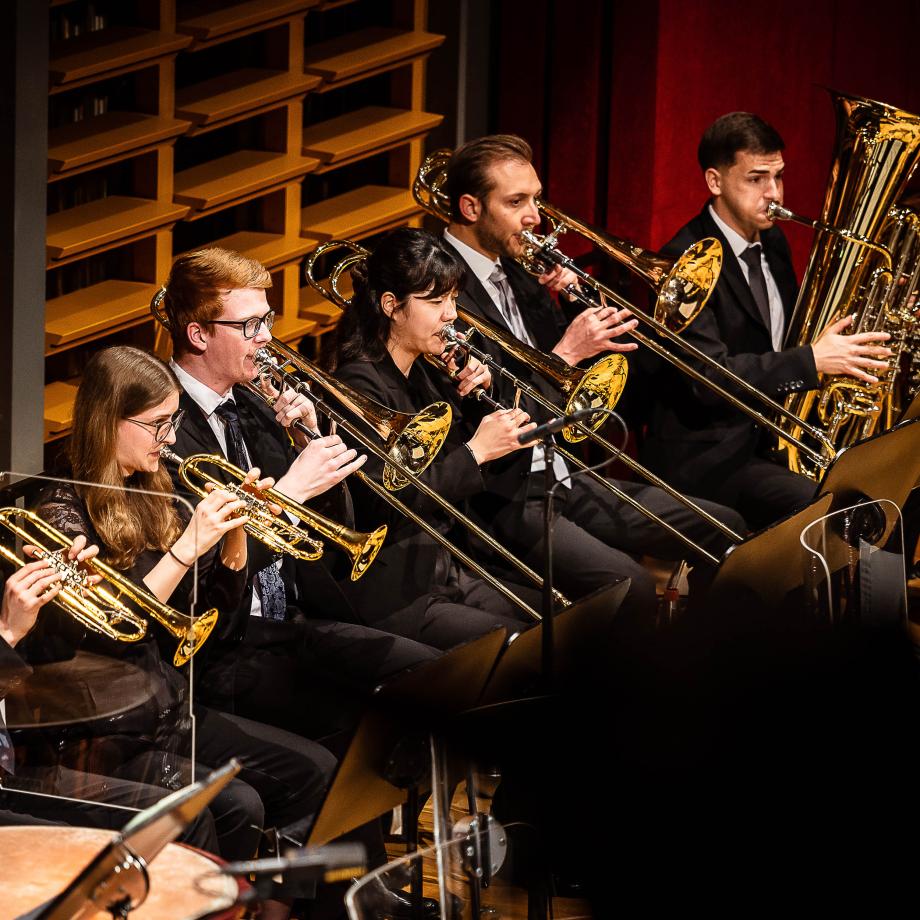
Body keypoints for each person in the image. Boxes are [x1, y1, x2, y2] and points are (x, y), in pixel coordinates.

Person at [33, 346, 336, 888]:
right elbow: (107, 632)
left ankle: (277, 905)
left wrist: (236, 542)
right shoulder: (60, 507)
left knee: (314, 771)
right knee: (236, 804)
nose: (170, 438)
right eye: (157, 424)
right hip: (103, 731)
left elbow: (214, 632)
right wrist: (186, 550)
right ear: (109, 421)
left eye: (173, 421)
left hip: (169, 706)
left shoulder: (154, 491)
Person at [442, 134, 747, 613]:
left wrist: (569, 306)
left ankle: (701, 650)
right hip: (503, 498)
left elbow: (586, 383)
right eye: (516, 201)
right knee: (633, 586)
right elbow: (492, 408)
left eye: (535, 199)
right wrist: (566, 349)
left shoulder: (521, 272)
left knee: (725, 526)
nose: (535, 218)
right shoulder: (437, 288)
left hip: (563, 471)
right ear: (470, 207)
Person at [158, 248, 438, 738]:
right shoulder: (163, 428)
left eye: (267, 319)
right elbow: (200, 572)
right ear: (199, 335)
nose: (266, 337)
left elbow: (331, 530)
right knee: (367, 718)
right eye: (249, 326)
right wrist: (287, 490)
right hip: (223, 643)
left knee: (428, 676)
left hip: (291, 616)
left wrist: (308, 437)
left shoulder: (254, 404)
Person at [638, 111, 894, 528]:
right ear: (715, 182)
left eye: (778, 177)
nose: (773, 193)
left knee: (889, 486)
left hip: (771, 441)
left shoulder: (773, 243)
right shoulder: (683, 263)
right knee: (841, 508)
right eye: (756, 179)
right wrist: (811, 362)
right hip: (711, 455)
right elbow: (708, 378)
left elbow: (781, 337)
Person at [325, 226, 545, 647]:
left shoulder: (427, 372)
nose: (451, 315)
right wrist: (474, 451)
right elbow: (383, 503)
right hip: (398, 590)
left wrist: (482, 400)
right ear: (392, 305)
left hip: (445, 568)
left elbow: (492, 477)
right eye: (436, 301)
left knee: (555, 622)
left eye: (453, 300)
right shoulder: (357, 385)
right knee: (525, 643)